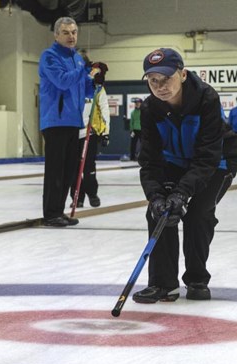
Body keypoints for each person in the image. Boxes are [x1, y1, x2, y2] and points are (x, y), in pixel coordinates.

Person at [132, 48, 237, 304]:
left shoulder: (206, 99)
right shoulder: (149, 109)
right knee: (159, 213)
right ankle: (163, 283)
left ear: (182, 74)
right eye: (153, 80)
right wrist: (156, 195)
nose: (160, 86)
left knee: (198, 214)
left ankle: (197, 279)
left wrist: (182, 192)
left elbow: (207, 156)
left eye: (166, 78)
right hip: (174, 163)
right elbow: (149, 160)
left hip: (217, 163)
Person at [38, 17, 99, 227]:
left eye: (73, 32)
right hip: (56, 121)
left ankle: (59, 211)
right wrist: (83, 72)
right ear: (56, 35)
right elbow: (62, 81)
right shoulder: (49, 56)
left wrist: (94, 82)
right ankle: (50, 213)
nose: (71, 36)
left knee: (69, 170)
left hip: (74, 120)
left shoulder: (77, 59)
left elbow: (84, 88)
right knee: (56, 170)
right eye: (66, 32)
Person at [73, 54, 110, 208]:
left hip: (90, 132)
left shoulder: (98, 89)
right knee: (74, 168)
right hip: (73, 132)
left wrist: (106, 131)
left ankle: (92, 193)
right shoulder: (74, 86)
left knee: (89, 167)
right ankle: (77, 196)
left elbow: (105, 109)